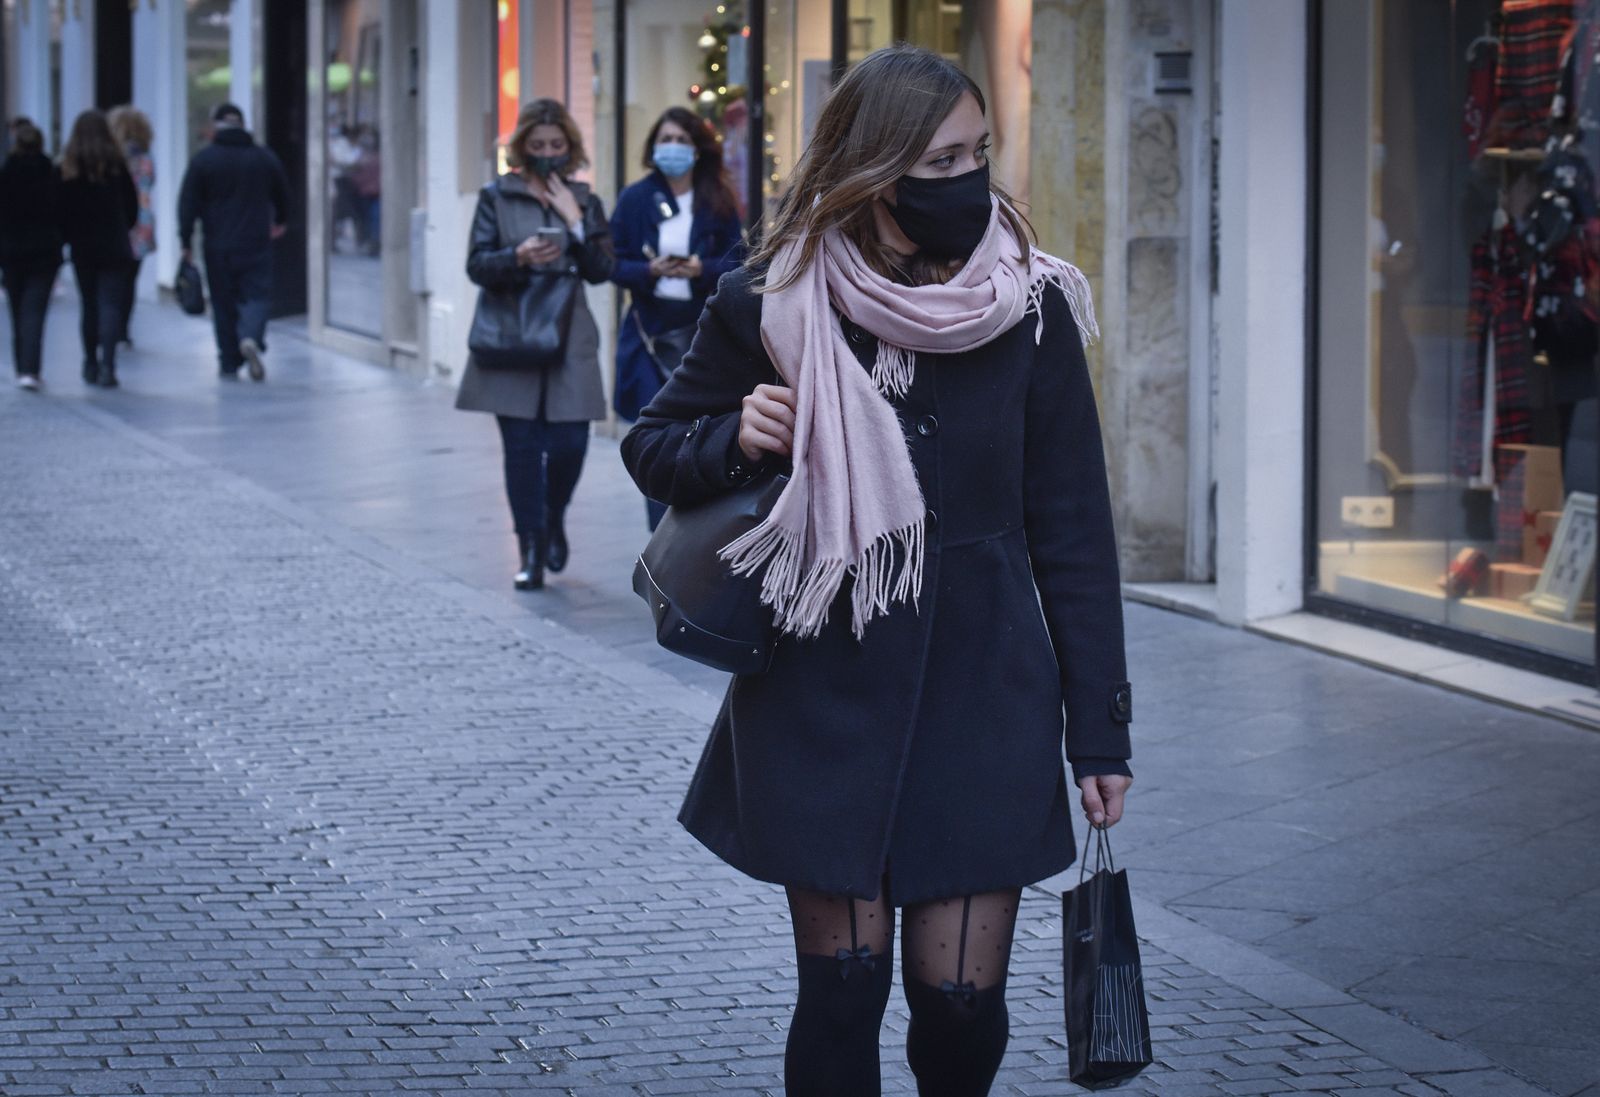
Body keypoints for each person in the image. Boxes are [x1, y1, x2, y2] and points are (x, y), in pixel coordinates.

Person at [620, 46, 1133, 1095]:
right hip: (821, 696)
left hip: (986, 695)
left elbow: (1073, 530)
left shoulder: (1027, 309)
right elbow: (653, 445)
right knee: (842, 992)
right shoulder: (771, 299)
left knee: (958, 1002)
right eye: (941, 157)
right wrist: (736, 434)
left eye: (978, 152)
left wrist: (1101, 729)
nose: (968, 178)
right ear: (877, 163)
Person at [457, 98, 614, 590]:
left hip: (568, 334)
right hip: (512, 335)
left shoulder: (585, 199)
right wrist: (518, 256)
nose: (547, 152)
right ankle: (530, 546)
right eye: (538, 144)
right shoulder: (496, 197)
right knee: (521, 449)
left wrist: (574, 221)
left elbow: (601, 270)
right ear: (521, 147)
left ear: (570, 148)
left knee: (570, 443)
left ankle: (553, 516)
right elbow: (477, 265)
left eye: (557, 145)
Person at [610, 106, 746, 528]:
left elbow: (739, 266)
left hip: (702, 335)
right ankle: (662, 539)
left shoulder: (718, 200)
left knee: (698, 434)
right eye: (665, 139)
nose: (672, 148)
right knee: (658, 438)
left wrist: (699, 269)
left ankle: (689, 531)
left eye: (681, 141)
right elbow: (611, 264)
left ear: (698, 150)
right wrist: (649, 271)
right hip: (650, 334)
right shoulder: (636, 199)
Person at [177, 102, 290, 381]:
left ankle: (229, 359)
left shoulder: (204, 160)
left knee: (223, 302)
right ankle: (250, 335)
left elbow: (187, 203)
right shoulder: (263, 157)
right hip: (255, 240)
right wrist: (280, 221)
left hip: (218, 244)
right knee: (257, 294)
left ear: (216, 125)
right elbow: (283, 193)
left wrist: (185, 240)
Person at [58, 110, 138, 389]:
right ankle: (108, 365)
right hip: (114, 244)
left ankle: (90, 361)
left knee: (89, 304)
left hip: (83, 247)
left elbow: (61, 212)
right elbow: (132, 207)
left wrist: (66, 238)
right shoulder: (116, 165)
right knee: (111, 305)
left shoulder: (68, 168)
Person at [0, 119, 62, 391]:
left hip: (12, 252)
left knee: (17, 309)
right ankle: (30, 369)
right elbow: (62, 212)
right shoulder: (51, 173)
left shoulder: (7, 172)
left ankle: (22, 367)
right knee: (34, 310)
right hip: (44, 252)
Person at [107, 106, 156, 347]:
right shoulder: (145, 158)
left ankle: (112, 327)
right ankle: (123, 329)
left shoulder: (111, 159)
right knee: (129, 280)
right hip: (142, 223)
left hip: (116, 221)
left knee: (113, 279)